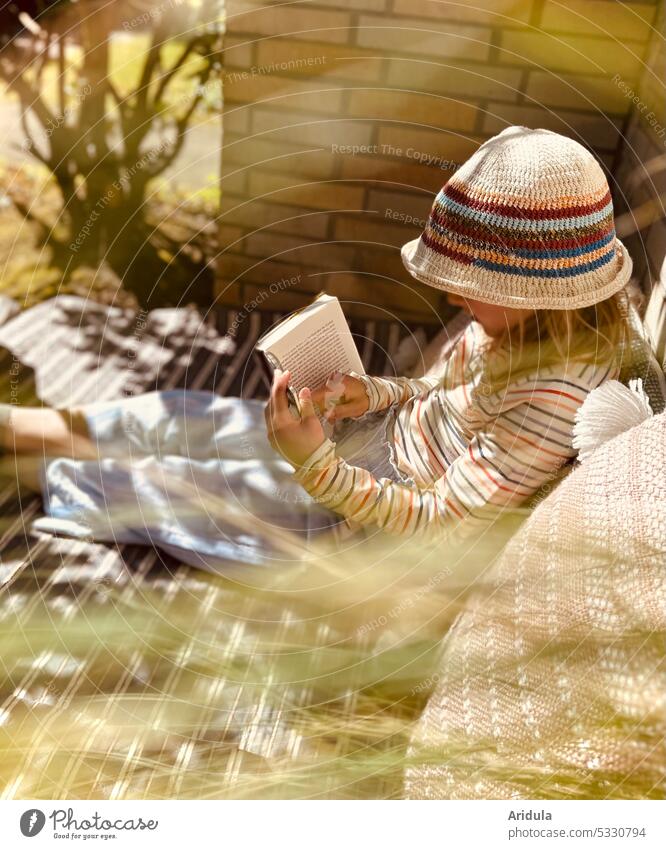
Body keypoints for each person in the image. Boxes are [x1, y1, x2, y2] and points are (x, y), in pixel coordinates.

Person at [0, 127, 639, 570]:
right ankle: (24, 428)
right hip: (367, 449)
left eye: (472, 287)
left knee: (165, 488)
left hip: (356, 526)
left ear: (541, 291)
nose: (455, 300)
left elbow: (438, 521)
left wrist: (313, 467)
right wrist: (376, 394)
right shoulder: (519, 327)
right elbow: (442, 396)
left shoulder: (554, 399)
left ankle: (32, 472)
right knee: (188, 414)